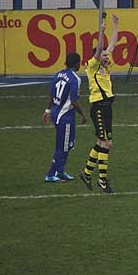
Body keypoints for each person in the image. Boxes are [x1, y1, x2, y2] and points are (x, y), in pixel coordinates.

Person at [81, 14, 119, 193]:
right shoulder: (92, 65)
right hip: (98, 107)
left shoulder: (105, 65)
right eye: (103, 54)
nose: (106, 55)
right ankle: (102, 180)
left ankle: (87, 173)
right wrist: (101, 32)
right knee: (105, 142)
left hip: (106, 107)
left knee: (103, 141)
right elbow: (100, 50)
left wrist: (115, 25)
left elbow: (113, 44)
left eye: (106, 55)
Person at [42, 52, 87, 182]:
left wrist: (48, 110)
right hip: (65, 116)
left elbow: (51, 93)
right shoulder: (75, 79)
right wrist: (83, 115)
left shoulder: (58, 74)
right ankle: (51, 174)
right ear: (77, 64)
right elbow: (74, 100)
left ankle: (60, 171)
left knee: (65, 145)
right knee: (63, 146)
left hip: (57, 114)